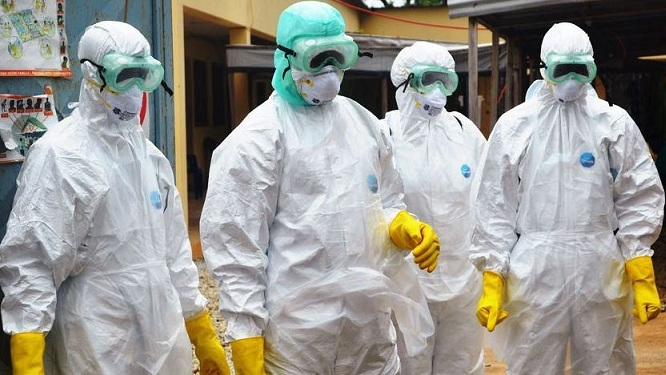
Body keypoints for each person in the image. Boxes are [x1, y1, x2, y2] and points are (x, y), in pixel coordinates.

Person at [200, 1, 440, 374]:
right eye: (318, 59)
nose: (330, 71)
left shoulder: (364, 125)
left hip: (370, 338)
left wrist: (402, 226)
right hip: (298, 345)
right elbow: (237, 252)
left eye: (338, 57)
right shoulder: (258, 139)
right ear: (287, 58)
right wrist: (246, 336)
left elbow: (387, 200)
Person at [0, 21, 230, 375]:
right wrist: (28, 351)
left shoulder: (151, 159)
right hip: (94, 340)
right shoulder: (60, 155)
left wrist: (200, 328)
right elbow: (31, 264)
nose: (136, 89)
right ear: (92, 75)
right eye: (126, 75)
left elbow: (174, 254)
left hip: (160, 338)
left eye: (144, 75)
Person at [470, 22, 664, 374]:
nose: (573, 79)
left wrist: (639, 265)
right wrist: (493, 273)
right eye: (563, 69)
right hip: (536, 268)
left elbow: (639, 194)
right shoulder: (516, 125)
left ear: (591, 68)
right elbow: (494, 203)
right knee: (533, 361)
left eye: (581, 70)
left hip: (600, 266)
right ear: (545, 69)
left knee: (607, 362)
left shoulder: (613, 122)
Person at [383, 41, 487, 374]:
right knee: (408, 364)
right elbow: (370, 206)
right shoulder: (384, 134)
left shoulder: (463, 131)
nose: (438, 90)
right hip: (406, 285)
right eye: (428, 79)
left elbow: (490, 198)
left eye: (445, 80)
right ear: (403, 82)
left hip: (463, 284)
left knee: (462, 365)